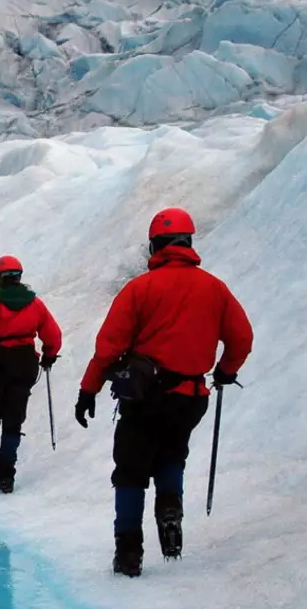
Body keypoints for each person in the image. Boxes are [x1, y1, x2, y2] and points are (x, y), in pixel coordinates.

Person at [76, 207, 252, 576]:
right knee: (172, 456)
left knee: (131, 473)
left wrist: (88, 390)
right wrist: (224, 371)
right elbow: (242, 337)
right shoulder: (214, 289)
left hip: (143, 398)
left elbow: (108, 348)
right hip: (190, 398)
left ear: (154, 245)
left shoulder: (140, 289)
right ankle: (170, 510)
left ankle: (129, 553)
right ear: (188, 242)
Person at [0, 255, 61, 494]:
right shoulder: (34, 303)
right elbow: (53, 334)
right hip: (25, 363)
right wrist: (48, 354)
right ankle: (6, 474)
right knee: (14, 420)